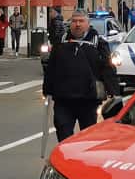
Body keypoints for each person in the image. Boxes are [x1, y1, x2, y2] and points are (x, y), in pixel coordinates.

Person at [42, 9, 119, 142]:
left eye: (81, 21)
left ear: (88, 24)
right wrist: (47, 89)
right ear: (70, 23)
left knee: (87, 138)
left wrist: (114, 93)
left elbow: (107, 69)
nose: (77, 24)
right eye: (74, 21)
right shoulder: (61, 43)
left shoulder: (98, 43)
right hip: (63, 99)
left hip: (88, 100)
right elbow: (51, 68)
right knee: (64, 135)